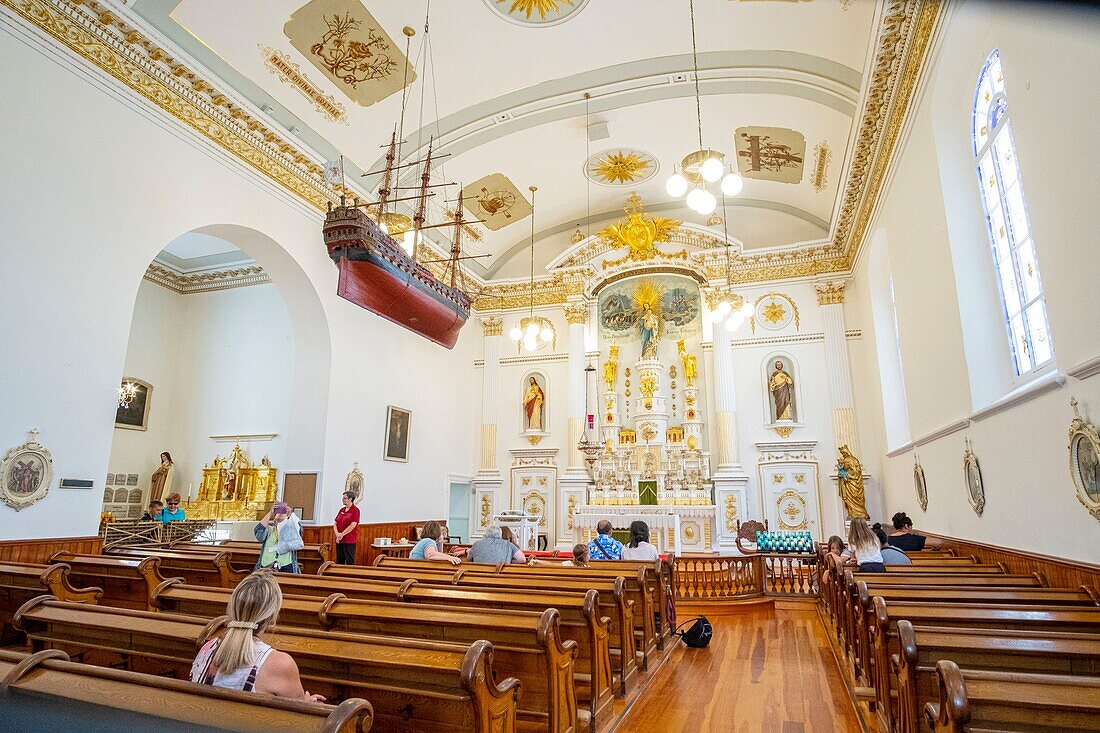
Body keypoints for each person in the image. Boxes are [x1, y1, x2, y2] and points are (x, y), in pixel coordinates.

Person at [191, 571, 322, 700]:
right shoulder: (280, 663)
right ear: (272, 618)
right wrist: (309, 702)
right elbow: (300, 714)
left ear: (233, 609)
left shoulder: (208, 647)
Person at [254, 502, 304, 572]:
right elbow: (259, 534)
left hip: (287, 566)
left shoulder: (290, 529)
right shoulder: (269, 530)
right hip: (266, 565)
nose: (280, 513)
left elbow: (299, 533)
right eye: (278, 511)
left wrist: (290, 516)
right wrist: (270, 512)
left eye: (283, 511)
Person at [333, 491, 360, 565]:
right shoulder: (341, 510)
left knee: (349, 560)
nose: (342, 499)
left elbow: (353, 525)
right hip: (339, 539)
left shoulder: (355, 510)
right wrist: (337, 535)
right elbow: (335, 523)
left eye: (345, 498)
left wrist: (342, 534)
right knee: (339, 559)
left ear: (350, 499)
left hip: (349, 540)